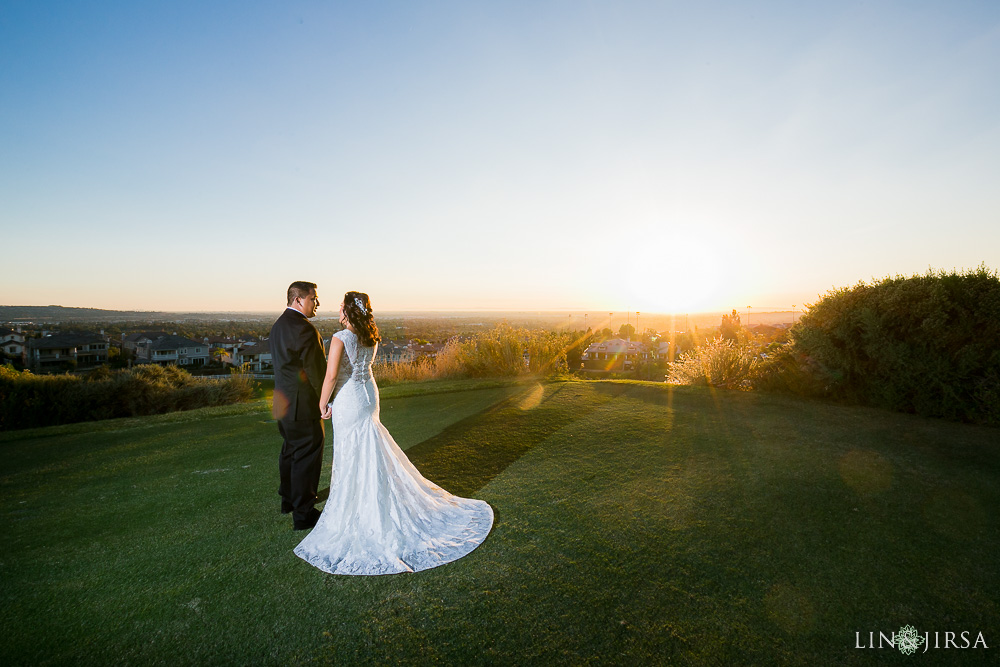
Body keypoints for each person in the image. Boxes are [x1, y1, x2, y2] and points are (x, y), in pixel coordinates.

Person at [294, 291, 493, 575]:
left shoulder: (341, 338)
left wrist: (322, 402)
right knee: (370, 448)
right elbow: (364, 369)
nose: (338, 310)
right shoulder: (369, 337)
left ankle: (360, 512)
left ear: (348, 311)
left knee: (353, 452)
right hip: (368, 394)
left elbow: (330, 376)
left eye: (341, 306)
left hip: (350, 399)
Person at [269, 281, 327, 530]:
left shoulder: (279, 325)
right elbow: (317, 373)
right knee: (307, 456)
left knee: (290, 452)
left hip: (282, 403)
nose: (317, 303)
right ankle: (304, 514)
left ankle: (289, 501)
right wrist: (327, 400)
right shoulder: (304, 329)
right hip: (302, 405)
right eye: (313, 298)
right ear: (298, 300)